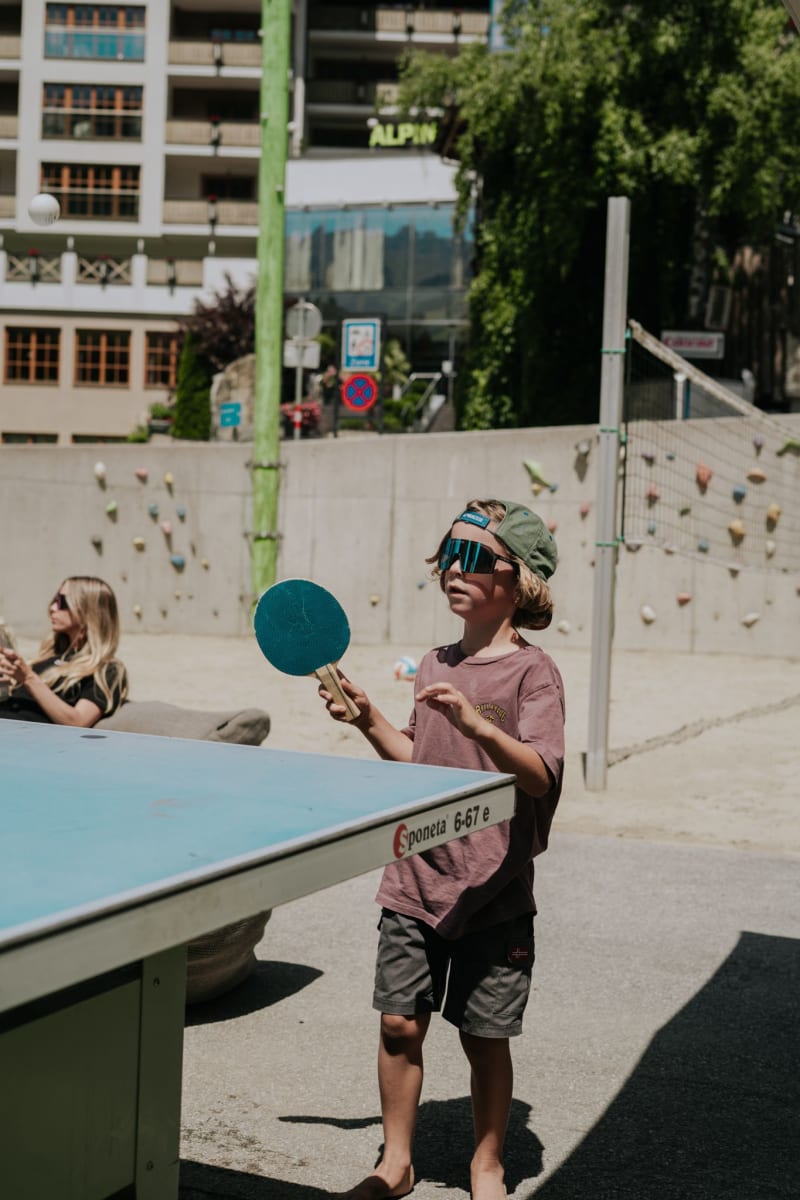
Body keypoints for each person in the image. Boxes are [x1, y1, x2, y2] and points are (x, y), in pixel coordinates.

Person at [318, 499, 565, 1200]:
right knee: (400, 1022)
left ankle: (486, 1165)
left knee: (485, 1039)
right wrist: (367, 719)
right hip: (416, 879)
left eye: (472, 558)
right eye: (446, 557)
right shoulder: (435, 661)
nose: (453, 571)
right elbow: (416, 754)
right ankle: (396, 1165)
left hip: (494, 890)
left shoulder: (531, 674)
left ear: (517, 581)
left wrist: (481, 727)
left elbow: (541, 774)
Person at [0, 575, 128, 727]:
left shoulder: (107, 670)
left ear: (88, 611)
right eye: (54, 600)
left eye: (62, 602)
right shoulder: (50, 657)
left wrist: (28, 678)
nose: (52, 608)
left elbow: (78, 721)